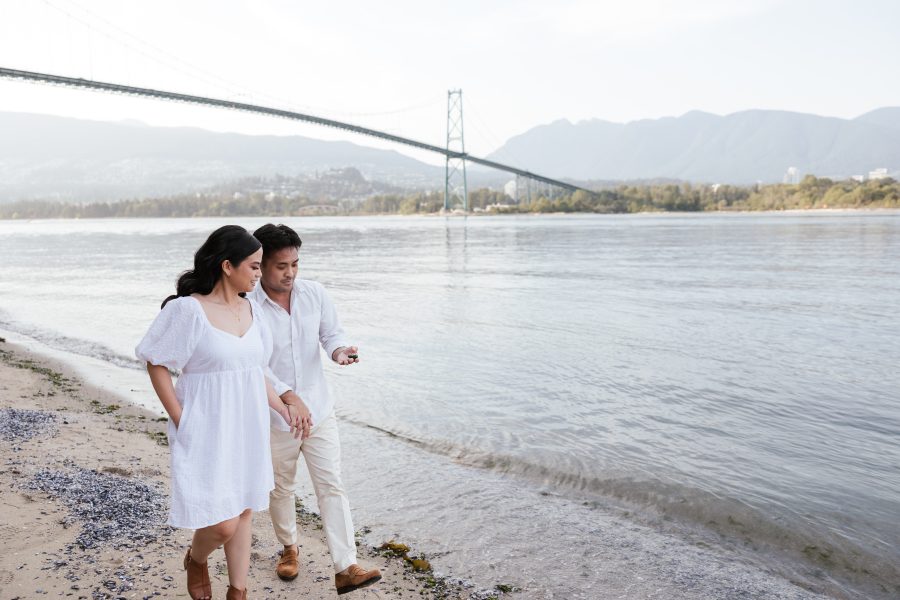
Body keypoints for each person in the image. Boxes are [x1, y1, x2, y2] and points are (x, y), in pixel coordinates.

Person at [135, 225, 301, 600]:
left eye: (261, 267)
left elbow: (253, 372)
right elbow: (156, 362)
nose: (260, 274)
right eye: (255, 266)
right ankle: (196, 559)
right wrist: (181, 418)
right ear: (228, 266)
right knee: (223, 523)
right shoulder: (188, 310)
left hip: (248, 424)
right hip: (206, 425)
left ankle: (237, 592)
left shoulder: (253, 312)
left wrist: (283, 407)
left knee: (243, 511)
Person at [249, 223, 382, 595]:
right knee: (281, 488)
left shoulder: (315, 294)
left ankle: (346, 567)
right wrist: (288, 396)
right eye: (280, 265)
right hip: (278, 416)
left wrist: (340, 352)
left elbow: (331, 334)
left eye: (295, 264)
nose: (289, 273)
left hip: (320, 410)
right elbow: (254, 364)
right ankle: (289, 548)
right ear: (260, 263)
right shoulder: (248, 307)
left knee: (332, 486)